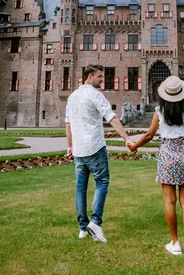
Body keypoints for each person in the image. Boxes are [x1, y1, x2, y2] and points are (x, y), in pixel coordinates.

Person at [127, 75, 184, 258]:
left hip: (167, 154)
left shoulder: (160, 111)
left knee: (169, 202)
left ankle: (175, 243)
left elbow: (150, 135)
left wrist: (134, 146)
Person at [65, 64, 132, 243]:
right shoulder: (95, 95)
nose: (103, 79)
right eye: (100, 77)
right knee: (102, 182)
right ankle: (95, 222)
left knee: (80, 188)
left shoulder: (72, 97)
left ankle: (82, 228)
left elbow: (68, 124)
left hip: (79, 150)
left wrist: (69, 146)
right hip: (95, 147)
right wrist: (126, 138)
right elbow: (111, 118)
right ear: (90, 77)